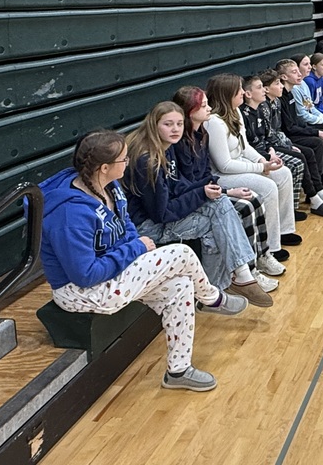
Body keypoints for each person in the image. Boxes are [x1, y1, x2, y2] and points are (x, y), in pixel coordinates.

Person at [40, 130, 230, 392]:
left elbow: (127, 225)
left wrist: (133, 246)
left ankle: (178, 371)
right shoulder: (69, 213)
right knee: (182, 254)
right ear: (104, 167)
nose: (128, 163)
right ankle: (211, 298)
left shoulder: (111, 186)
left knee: (182, 286)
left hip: (114, 273)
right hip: (81, 291)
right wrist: (135, 249)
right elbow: (84, 274)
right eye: (124, 160)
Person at [125, 99, 277, 304]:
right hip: (148, 228)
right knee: (218, 221)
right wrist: (202, 194)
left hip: (162, 216)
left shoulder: (166, 147)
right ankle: (228, 283)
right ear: (154, 124)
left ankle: (220, 288)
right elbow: (161, 214)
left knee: (220, 208)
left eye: (179, 123)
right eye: (168, 124)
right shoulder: (148, 160)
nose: (175, 129)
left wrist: (216, 190)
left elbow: (177, 186)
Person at [204, 74, 299, 257]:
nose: (242, 92)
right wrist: (260, 169)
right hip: (223, 175)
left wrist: (262, 161)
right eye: (238, 90)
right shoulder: (214, 122)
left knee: (283, 173)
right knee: (269, 186)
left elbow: (245, 146)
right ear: (226, 93)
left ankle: (284, 230)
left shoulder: (235, 111)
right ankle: (270, 248)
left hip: (240, 163)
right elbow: (224, 165)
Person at [244, 73, 323, 218]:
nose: (281, 87)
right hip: (268, 147)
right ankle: (310, 198)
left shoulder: (276, 102)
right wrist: (285, 147)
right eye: (277, 84)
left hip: (274, 143)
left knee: (311, 148)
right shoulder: (260, 108)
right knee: (301, 157)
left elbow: (274, 132)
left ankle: (319, 190)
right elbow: (268, 135)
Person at [272, 60, 323, 192]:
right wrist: (315, 132)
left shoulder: (290, 93)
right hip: (288, 136)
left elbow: (301, 117)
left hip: (295, 130)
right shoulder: (282, 98)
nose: (299, 74)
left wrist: (317, 128)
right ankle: (317, 186)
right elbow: (289, 127)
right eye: (294, 72)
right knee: (317, 142)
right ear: (284, 77)